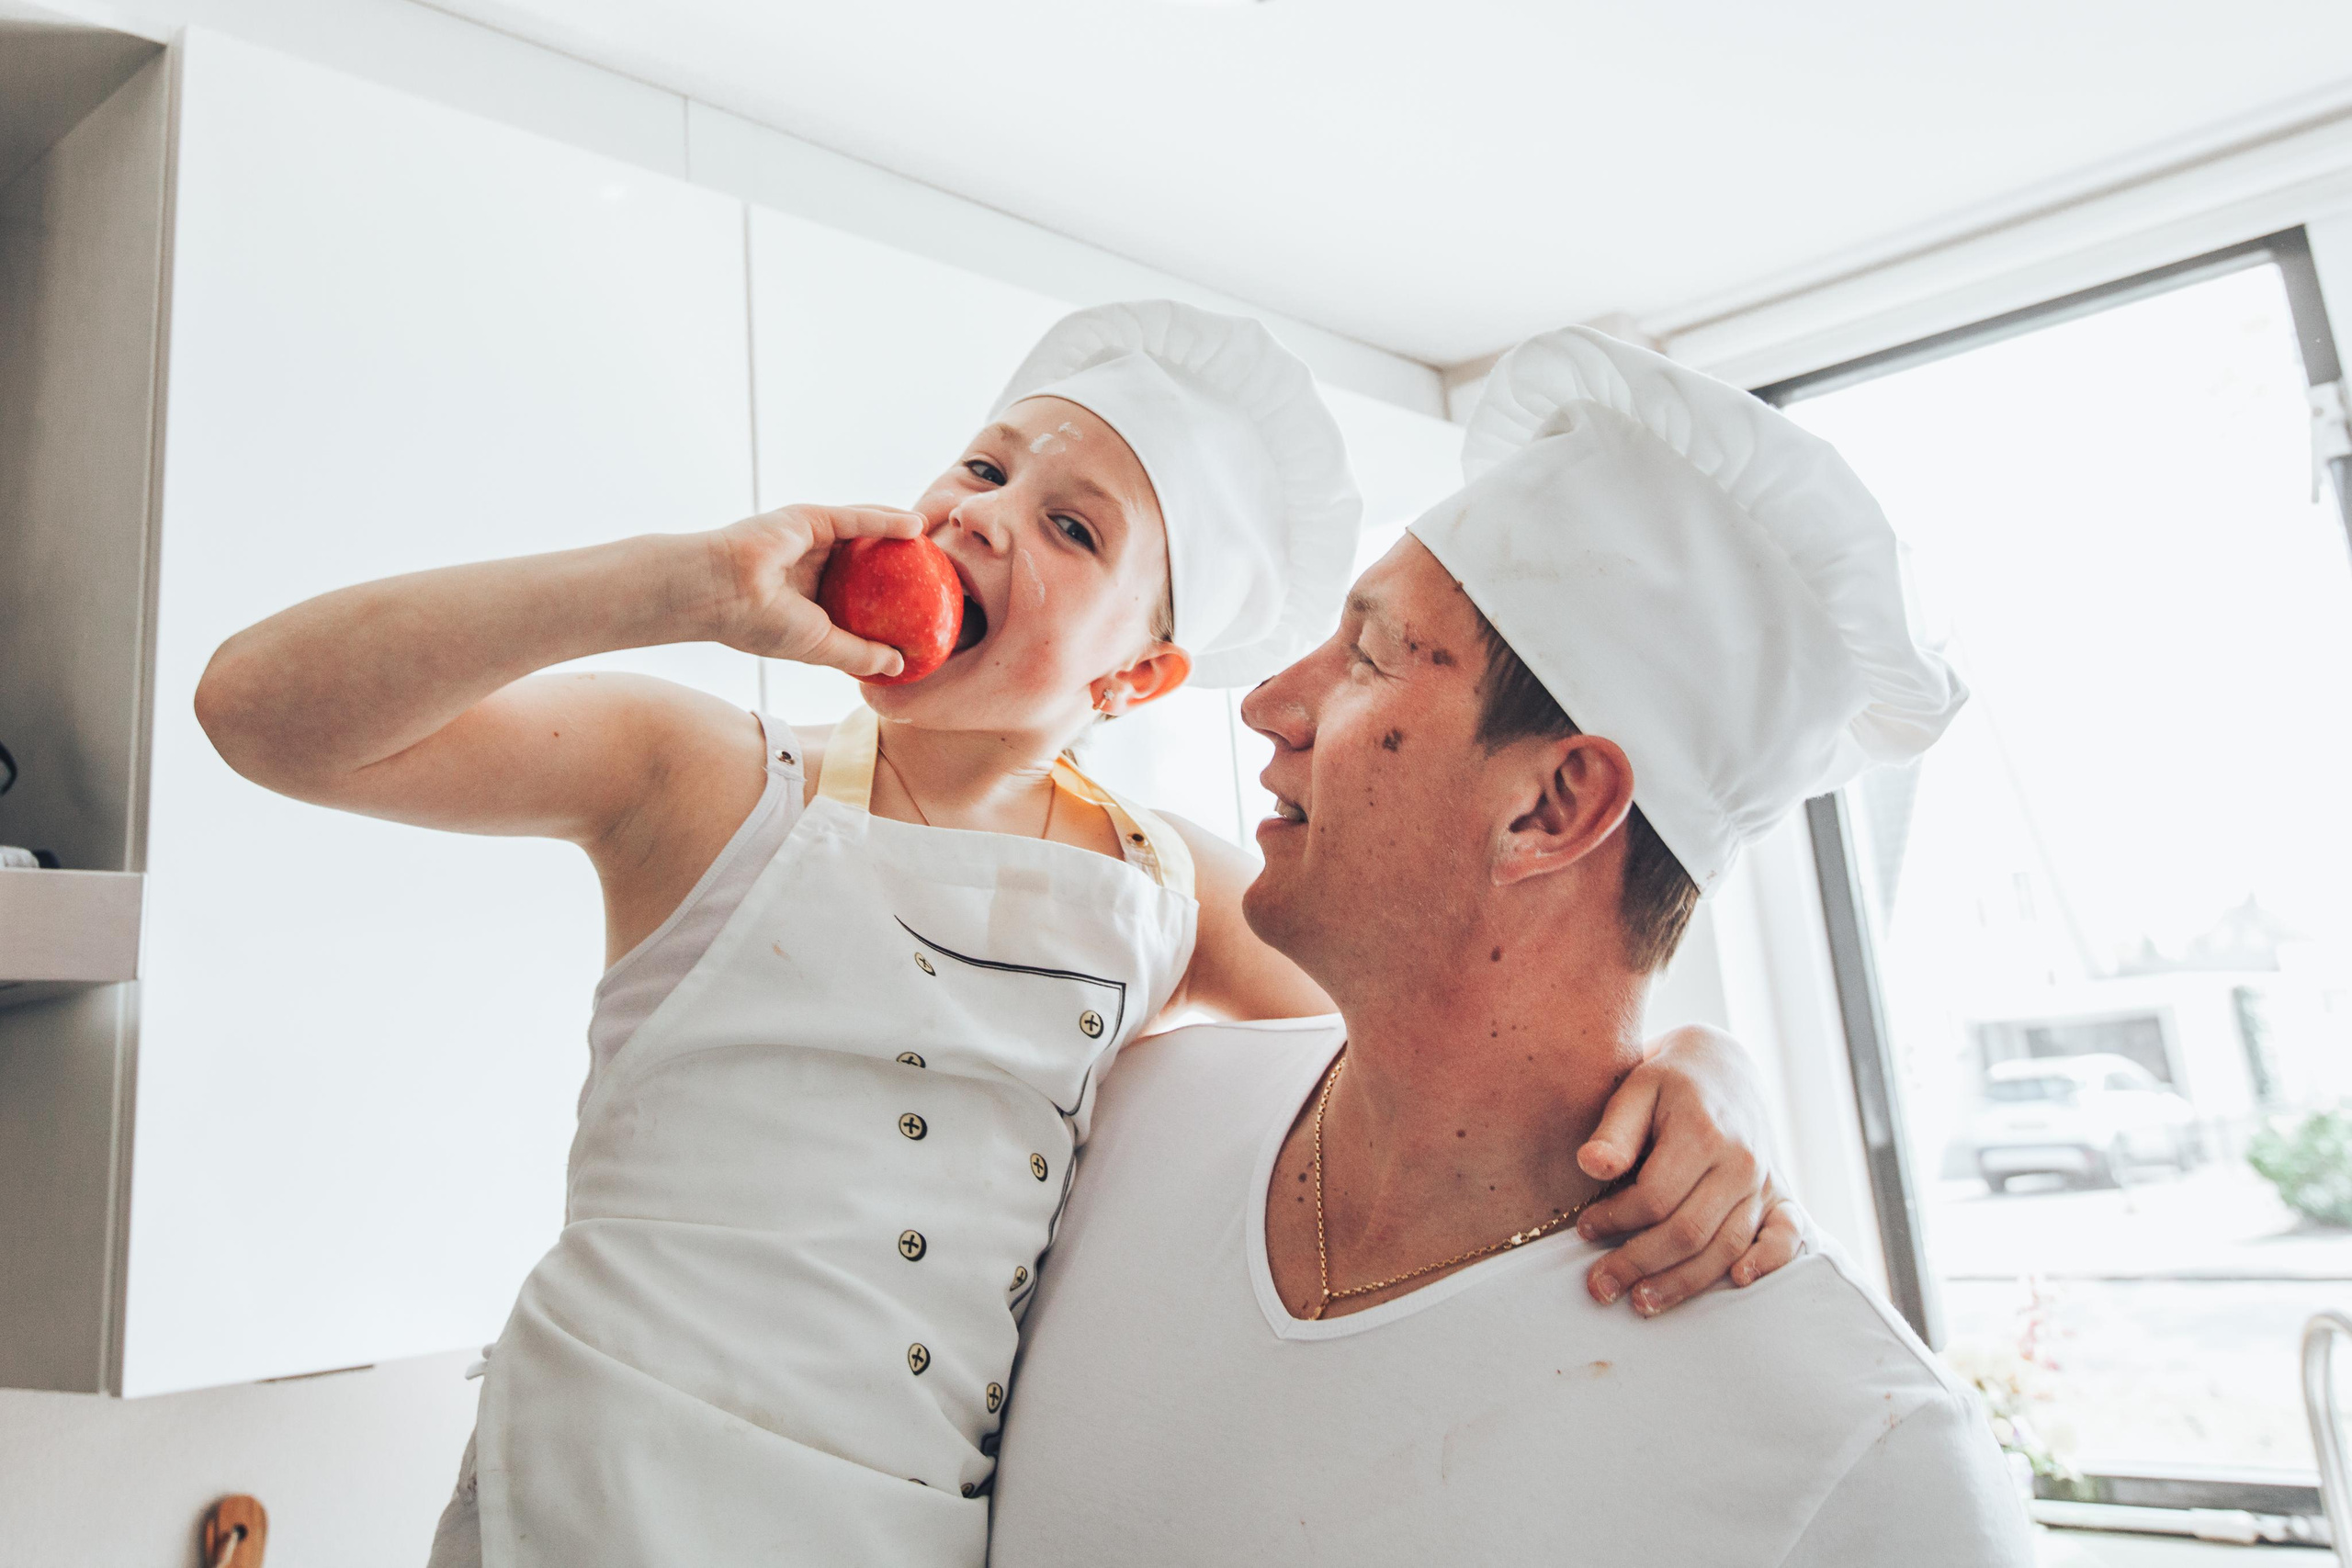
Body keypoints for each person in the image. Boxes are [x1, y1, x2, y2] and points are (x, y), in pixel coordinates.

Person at [194, 302, 1804, 1568]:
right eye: (985, 466)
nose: (982, 517)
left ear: (1134, 681)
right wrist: (687, 584)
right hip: (594, 1492)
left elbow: (1460, 1012)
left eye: (1075, 527)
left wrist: (1699, 1064)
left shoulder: (1163, 890)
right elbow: (264, 715)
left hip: (897, 1535)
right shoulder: (702, 779)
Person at [988, 326, 2039, 1564]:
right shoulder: (1125, 1119)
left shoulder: (1862, 1463)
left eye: (1370, 654)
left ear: (1553, 807)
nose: (1269, 704)